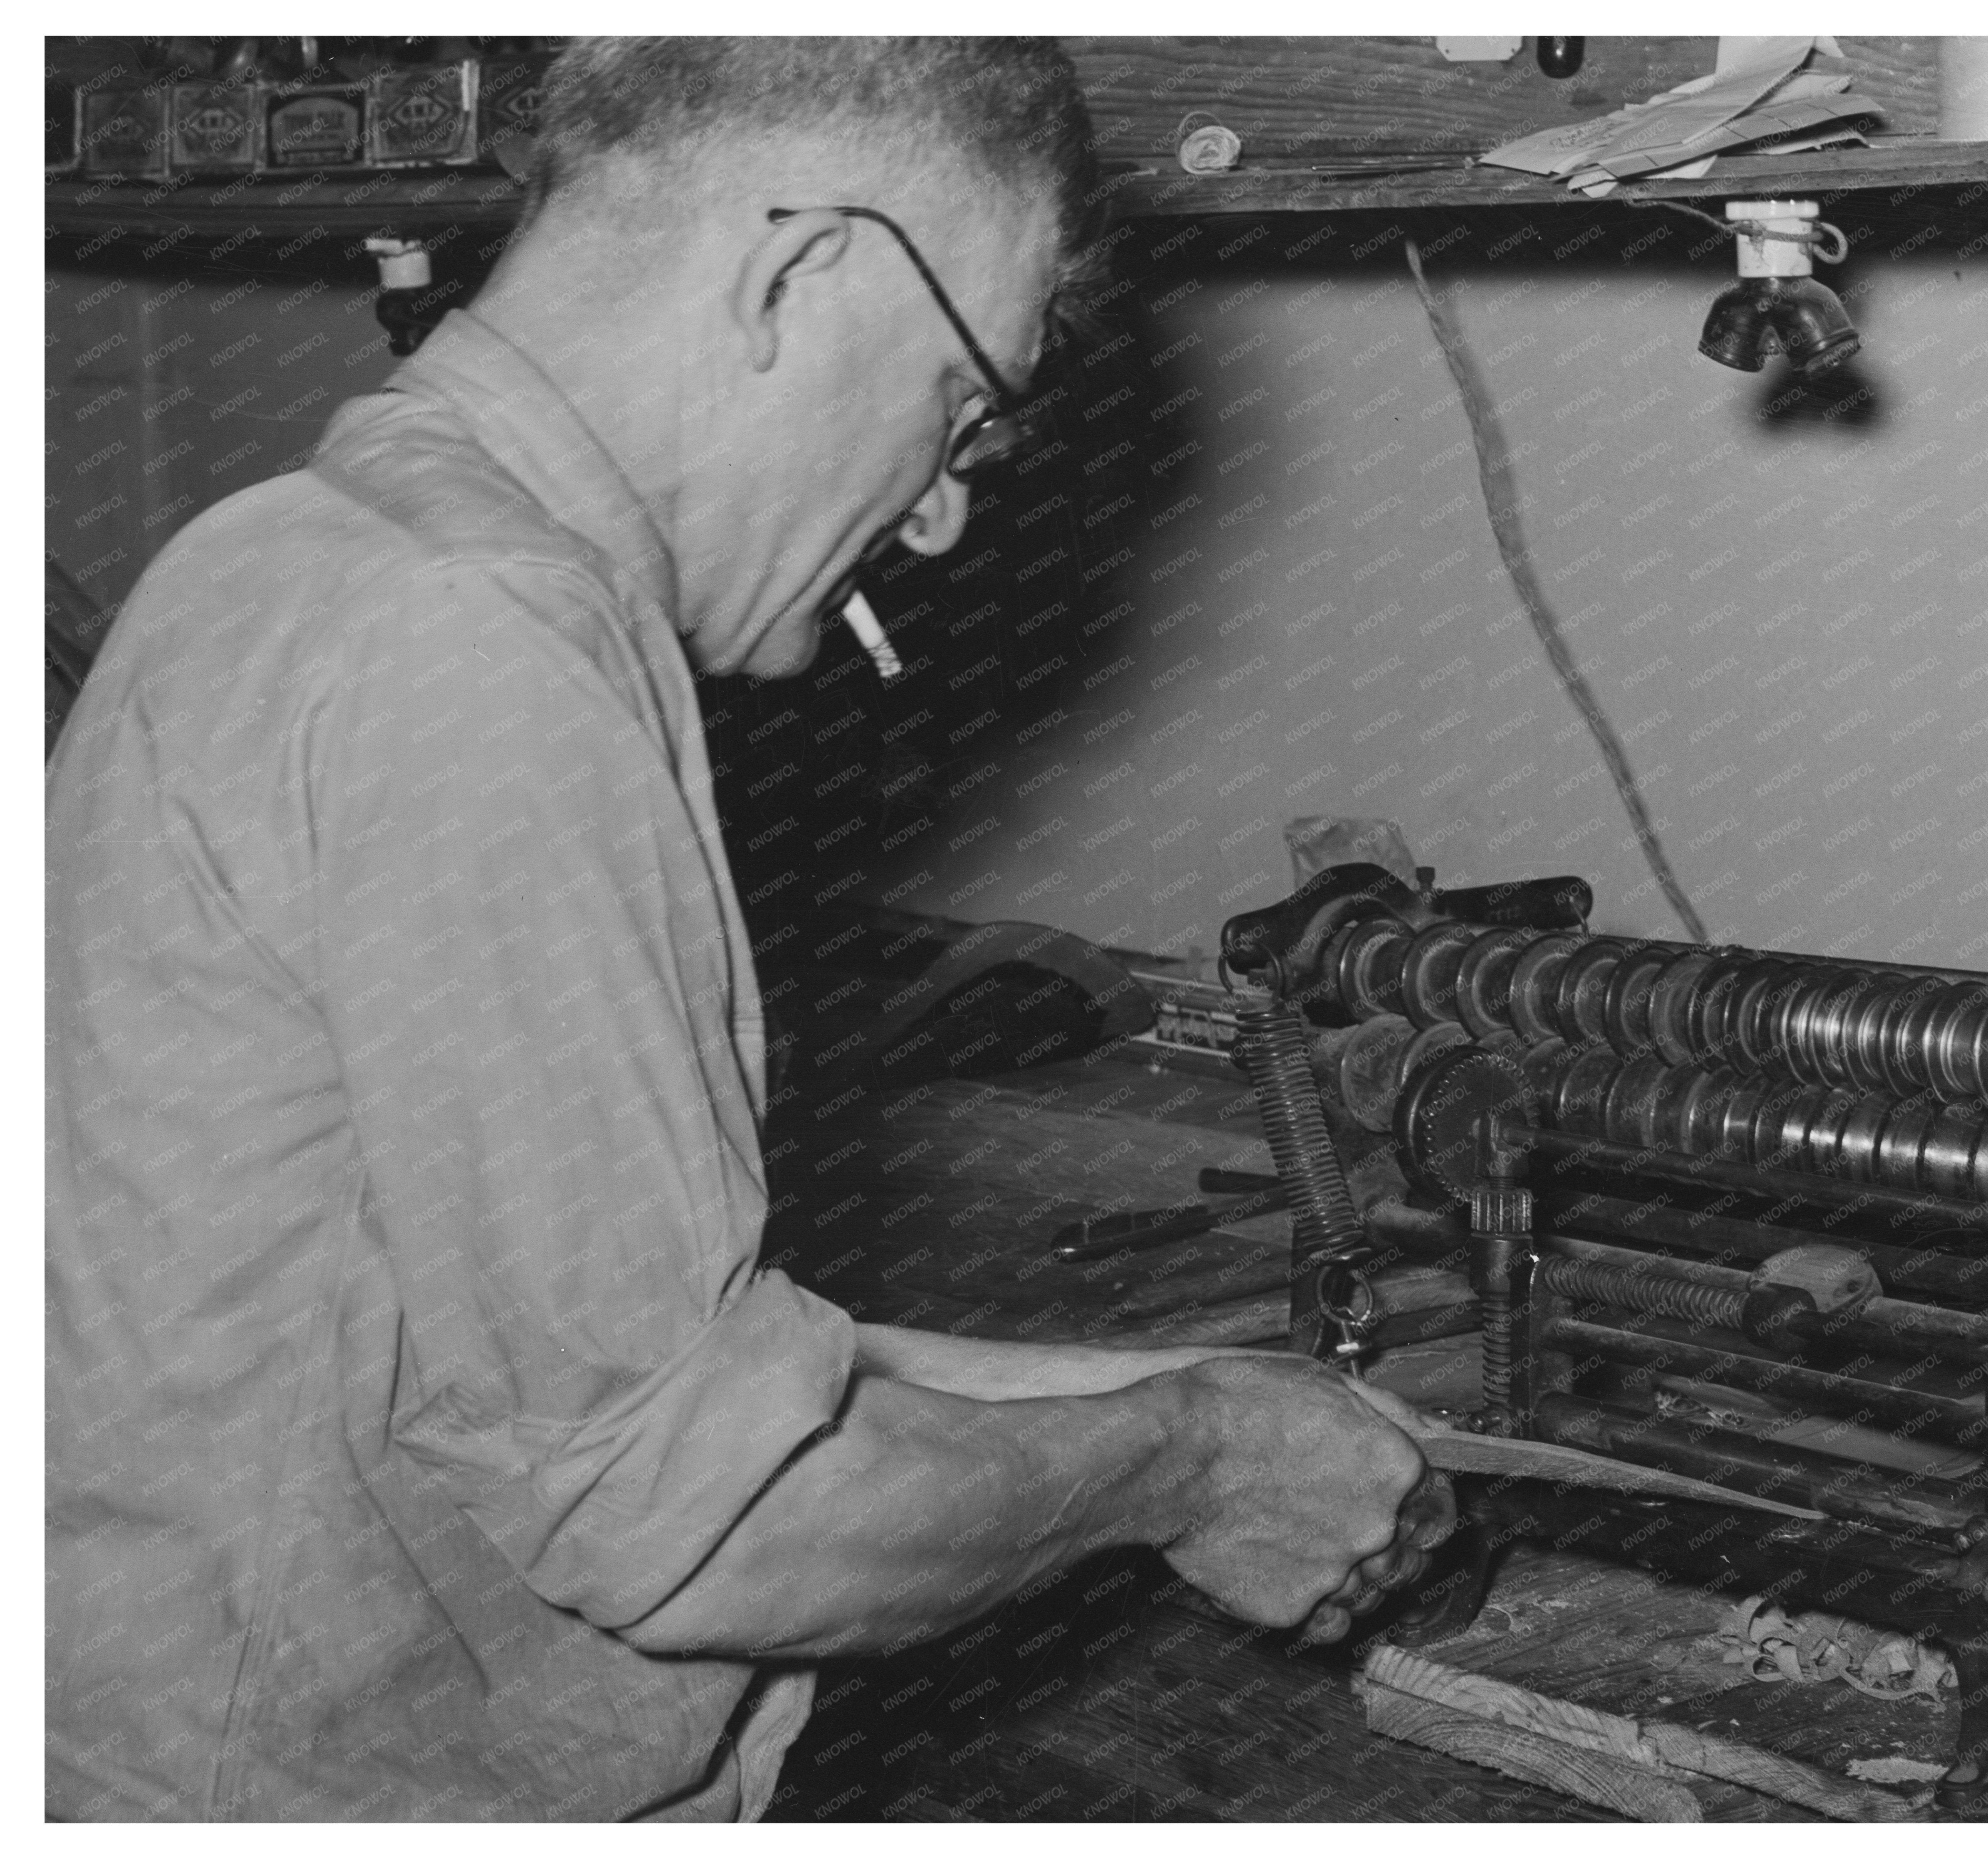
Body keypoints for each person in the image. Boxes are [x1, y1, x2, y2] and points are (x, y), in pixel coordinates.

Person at [46, 38, 1446, 1822]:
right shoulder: (491, 647)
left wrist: (1180, 1381)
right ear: (803, 274)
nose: (942, 509)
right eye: (963, 408)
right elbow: (697, 1525)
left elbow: (577, 1364)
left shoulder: (295, 550)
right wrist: (1191, 1460)